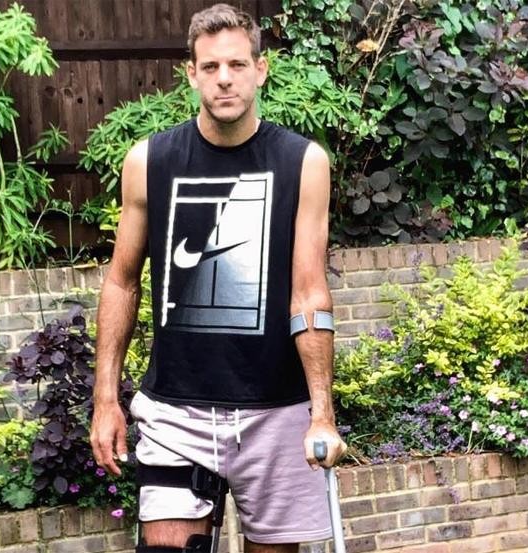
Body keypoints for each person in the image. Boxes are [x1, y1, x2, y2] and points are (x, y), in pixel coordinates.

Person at [90, 4, 346, 553]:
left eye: (236, 64)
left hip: (276, 410)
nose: (224, 78)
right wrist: (105, 399)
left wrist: (321, 413)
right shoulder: (149, 161)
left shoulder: (302, 162)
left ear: (261, 69)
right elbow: (121, 282)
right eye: (210, 67)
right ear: (192, 74)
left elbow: (308, 293)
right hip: (174, 410)